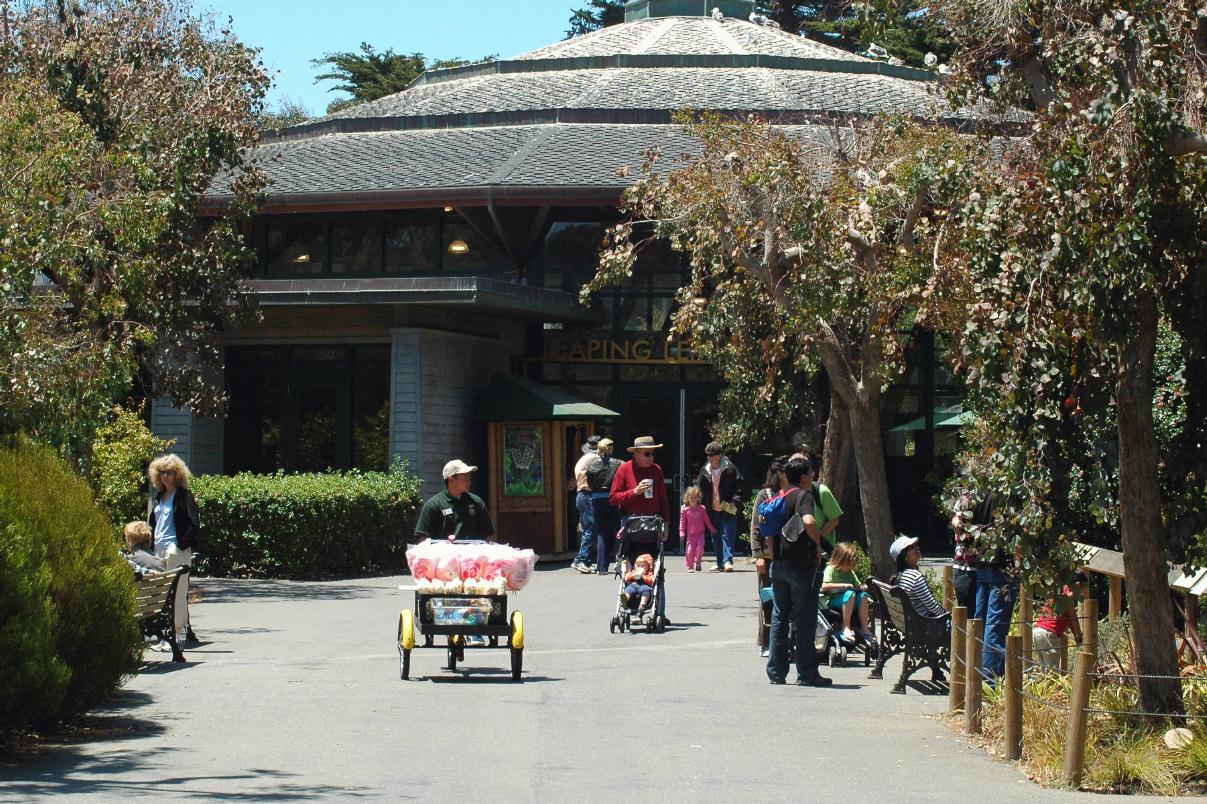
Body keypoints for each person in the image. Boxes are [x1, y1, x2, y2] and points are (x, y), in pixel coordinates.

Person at [765, 457, 832, 687]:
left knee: (779, 618)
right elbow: (809, 521)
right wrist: (817, 544)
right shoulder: (803, 496)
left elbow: (769, 534)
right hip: (800, 566)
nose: (813, 476)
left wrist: (774, 559)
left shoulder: (778, 497)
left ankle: (776, 672)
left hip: (779, 565)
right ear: (803, 476)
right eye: (811, 473)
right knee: (805, 619)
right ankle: (806, 673)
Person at [610, 436, 671, 620]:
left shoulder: (656, 470)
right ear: (635, 454)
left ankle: (658, 611)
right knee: (628, 560)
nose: (651, 457)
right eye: (646, 454)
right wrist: (634, 492)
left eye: (652, 453)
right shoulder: (624, 469)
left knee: (657, 566)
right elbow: (613, 497)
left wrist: (666, 523)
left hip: (653, 519)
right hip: (631, 519)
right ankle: (630, 604)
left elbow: (663, 500)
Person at [148, 453, 201, 648]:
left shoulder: (183, 496)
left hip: (175, 550)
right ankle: (165, 635)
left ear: (177, 474)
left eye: (169, 472)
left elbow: (193, 524)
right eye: (162, 473)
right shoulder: (159, 497)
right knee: (162, 594)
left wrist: (180, 545)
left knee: (178, 593)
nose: (165, 477)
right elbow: (154, 524)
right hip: (158, 551)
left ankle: (177, 635)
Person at [970, 491, 1016, 681]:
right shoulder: (1011, 494)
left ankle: (974, 675)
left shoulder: (984, 492)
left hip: (983, 561)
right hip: (1003, 566)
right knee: (995, 628)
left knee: (980, 622)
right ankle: (990, 682)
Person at [751, 458, 786, 657]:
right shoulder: (765, 495)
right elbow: (756, 526)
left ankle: (784, 640)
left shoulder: (791, 493)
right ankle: (765, 641)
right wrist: (758, 555)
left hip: (786, 552)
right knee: (768, 597)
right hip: (766, 554)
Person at [414, 459, 496, 540]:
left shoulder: (477, 502)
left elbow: (489, 535)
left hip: (472, 553)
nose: (469, 482)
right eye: (465, 478)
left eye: (469, 478)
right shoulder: (433, 505)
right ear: (451, 479)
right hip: (443, 553)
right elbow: (423, 539)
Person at [697, 441, 743, 572]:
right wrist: (693, 501)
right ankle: (719, 562)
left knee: (728, 533)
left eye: (712, 455)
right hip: (712, 507)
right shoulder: (705, 470)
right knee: (715, 535)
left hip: (729, 505)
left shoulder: (730, 468)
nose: (709, 458)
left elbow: (739, 485)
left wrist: (735, 501)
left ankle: (727, 561)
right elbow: (699, 487)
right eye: (708, 455)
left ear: (719, 455)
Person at [821, 541, 874, 645]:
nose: (852, 567)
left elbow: (858, 585)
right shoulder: (830, 569)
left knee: (863, 596)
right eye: (850, 564)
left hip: (850, 600)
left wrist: (863, 586)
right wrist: (843, 585)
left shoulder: (850, 572)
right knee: (850, 593)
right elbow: (824, 586)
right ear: (840, 560)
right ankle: (846, 627)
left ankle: (864, 627)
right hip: (834, 600)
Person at [585, 438, 622, 575]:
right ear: (610, 449)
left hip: (596, 499)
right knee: (619, 531)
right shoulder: (618, 463)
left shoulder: (591, 465)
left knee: (602, 533)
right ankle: (620, 562)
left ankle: (602, 567)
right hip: (613, 498)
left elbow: (589, 483)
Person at [889, 535, 947, 618]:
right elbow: (932, 606)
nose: (917, 548)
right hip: (924, 624)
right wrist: (948, 615)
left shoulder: (901, 575)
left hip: (910, 622)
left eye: (916, 545)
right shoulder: (914, 576)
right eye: (912, 547)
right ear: (904, 557)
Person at [1033, 582, 1084, 669]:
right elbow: (1073, 617)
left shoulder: (1058, 590)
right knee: (1052, 672)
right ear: (1077, 584)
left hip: (1038, 631)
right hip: (1049, 635)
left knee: (1045, 670)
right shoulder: (1068, 597)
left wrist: (1076, 635)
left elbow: (1068, 619)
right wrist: (1079, 636)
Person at [571, 435, 603, 574]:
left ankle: (585, 560)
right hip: (587, 495)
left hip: (581, 495)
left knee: (587, 529)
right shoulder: (595, 459)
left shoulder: (584, 458)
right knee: (591, 529)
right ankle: (582, 560)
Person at [679, 485, 715, 572]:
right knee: (689, 550)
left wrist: (711, 528)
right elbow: (682, 522)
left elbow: (706, 520)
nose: (693, 499)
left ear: (698, 498)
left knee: (700, 548)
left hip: (700, 533)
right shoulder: (685, 510)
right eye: (691, 497)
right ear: (687, 498)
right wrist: (681, 531)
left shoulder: (702, 509)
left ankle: (698, 562)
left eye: (695, 497)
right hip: (690, 535)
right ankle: (690, 566)